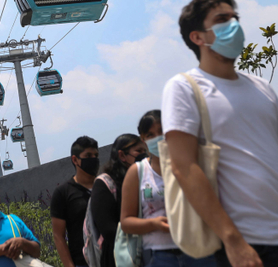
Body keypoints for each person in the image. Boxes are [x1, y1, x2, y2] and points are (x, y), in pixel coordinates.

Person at [162, 0, 278, 267]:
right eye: (222, 19)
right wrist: (233, 241)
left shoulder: (261, 87)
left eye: (235, 18)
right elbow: (184, 168)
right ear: (198, 37)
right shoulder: (184, 88)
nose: (234, 25)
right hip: (252, 247)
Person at [121, 111, 216, 267]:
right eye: (150, 135)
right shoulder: (138, 172)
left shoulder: (192, 162)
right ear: (143, 141)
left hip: (200, 251)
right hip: (160, 256)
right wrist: (154, 224)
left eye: (161, 131)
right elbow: (126, 222)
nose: (157, 137)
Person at [90, 134, 147, 267]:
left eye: (145, 151)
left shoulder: (145, 180)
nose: (143, 156)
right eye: (138, 151)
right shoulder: (105, 183)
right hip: (120, 256)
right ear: (122, 156)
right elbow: (108, 229)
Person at [51, 136, 99, 267]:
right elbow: (58, 236)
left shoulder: (105, 186)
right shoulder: (63, 193)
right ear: (75, 160)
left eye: (96, 155)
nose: (93, 159)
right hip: (82, 262)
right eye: (88, 155)